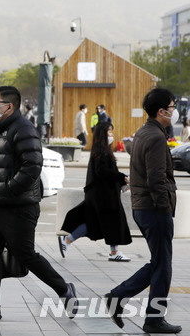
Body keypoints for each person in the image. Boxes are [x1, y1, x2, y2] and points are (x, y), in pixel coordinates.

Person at [0, 86, 78, 320]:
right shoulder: (1, 129)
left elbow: (32, 166)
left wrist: (9, 189)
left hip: (17, 207)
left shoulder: (24, 129)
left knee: (24, 253)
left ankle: (64, 289)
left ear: (9, 106)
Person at [105, 88, 181, 334]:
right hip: (154, 209)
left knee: (160, 262)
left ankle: (122, 299)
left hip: (143, 207)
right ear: (161, 111)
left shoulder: (144, 132)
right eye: (172, 107)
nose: (174, 111)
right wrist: (164, 208)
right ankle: (150, 317)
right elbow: (156, 179)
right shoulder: (157, 137)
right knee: (163, 265)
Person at [59, 121, 132, 261]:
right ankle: (114, 252)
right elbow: (105, 172)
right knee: (111, 222)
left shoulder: (100, 150)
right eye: (109, 132)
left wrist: (122, 179)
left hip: (101, 195)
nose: (112, 134)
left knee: (96, 224)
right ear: (103, 134)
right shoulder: (102, 152)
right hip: (104, 197)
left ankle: (67, 240)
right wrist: (122, 177)